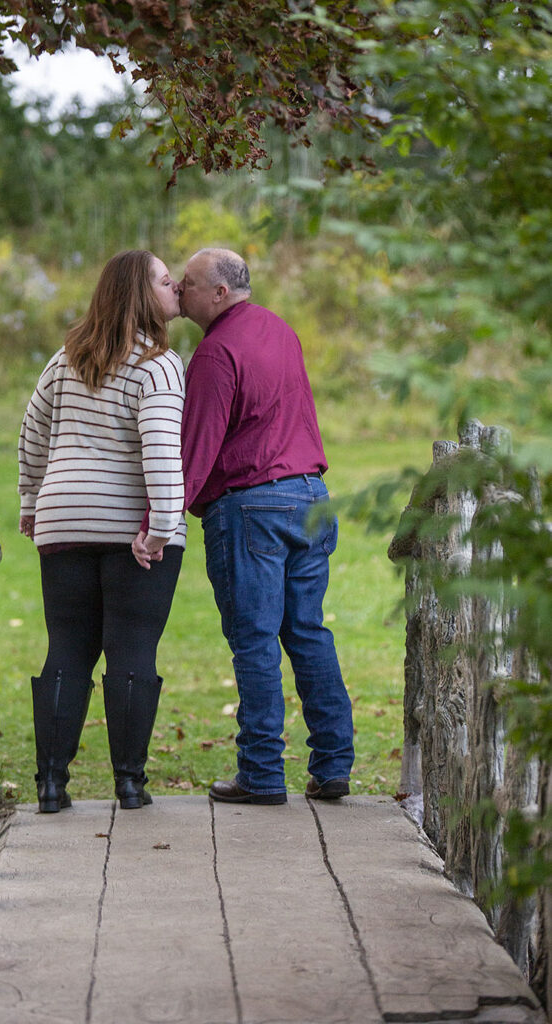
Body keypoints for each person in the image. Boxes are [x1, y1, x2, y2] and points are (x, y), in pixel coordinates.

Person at [134, 248, 354, 805]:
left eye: (187, 284)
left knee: (254, 640)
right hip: (310, 497)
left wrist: (156, 521)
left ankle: (261, 773)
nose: (179, 292)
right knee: (307, 631)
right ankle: (332, 764)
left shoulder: (214, 354)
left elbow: (195, 448)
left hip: (253, 505)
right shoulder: (281, 332)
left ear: (220, 294)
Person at [18, 250, 185, 813]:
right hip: (129, 530)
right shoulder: (158, 364)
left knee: (66, 647)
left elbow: (32, 430)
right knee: (132, 650)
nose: (176, 288)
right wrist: (163, 525)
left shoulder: (65, 359)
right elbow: (161, 449)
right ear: (144, 296)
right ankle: (130, 785)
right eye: (166, 282)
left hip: (63, 520)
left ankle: (50, 784)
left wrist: (30, 499)